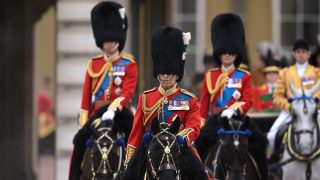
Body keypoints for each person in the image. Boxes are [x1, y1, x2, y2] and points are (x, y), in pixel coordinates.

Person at [123, 26, 207, 179]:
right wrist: (129, 160)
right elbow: (136, 133)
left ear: (177, 74)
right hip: (150, 147)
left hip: (179, 146)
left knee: (201, 173)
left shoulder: (190, 99)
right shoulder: (145, 97)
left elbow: (194, 127)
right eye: (162, 72)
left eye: (169, 73)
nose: (166, 76)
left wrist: (181, 137)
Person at [194, 13, 268, 179]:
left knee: (260, 143)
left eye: (230, 53)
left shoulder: (244, 75)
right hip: (217, 119)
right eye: (224, 53)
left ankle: (264, 176)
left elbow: (248, 100)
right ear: (219, 54)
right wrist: (200, 125)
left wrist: (235, 109)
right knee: (199, 145)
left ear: (236, 53)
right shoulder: (210, 76)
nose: (227, 55)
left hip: (239, 119)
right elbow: (204, 106)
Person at [69, 2, 138, 179]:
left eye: (112, 40)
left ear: (119, 40)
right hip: (98, 113)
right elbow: (85, 100)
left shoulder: (129, 64)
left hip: (121, 112)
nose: (109, 44)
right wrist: (83, 122)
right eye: (106, 41)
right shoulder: (94, 64)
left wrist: (113, 108)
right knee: (78, 142)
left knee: (137, 141)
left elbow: (127, 93)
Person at [267, 39, 320, 155]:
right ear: (293, 54)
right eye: (298, 52)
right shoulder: (285, 72)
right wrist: (289, 107)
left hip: (312, 111)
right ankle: (273, 167)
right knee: (271, 135)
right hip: (290, 111)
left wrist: (314, 104)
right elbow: (277, 96)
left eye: (304, 52)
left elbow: (318, 93)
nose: (301, 54)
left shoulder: (316, 72)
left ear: (309, 54)